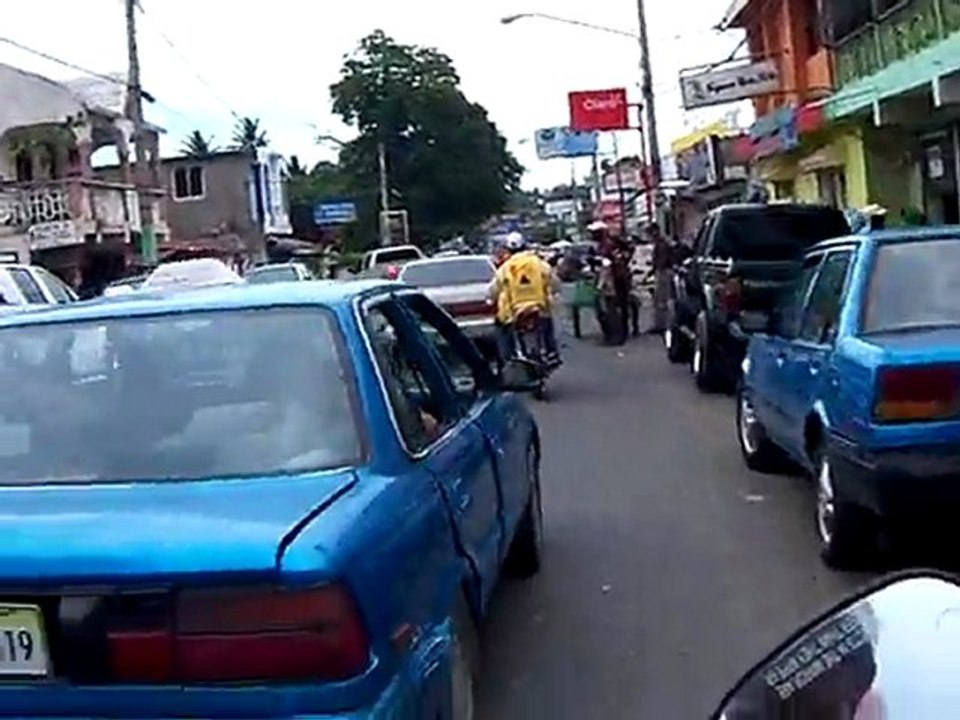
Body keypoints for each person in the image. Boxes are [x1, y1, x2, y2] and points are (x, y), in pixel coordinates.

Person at [489, 232, 561, 367]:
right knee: (547, 325)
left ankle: (509, 359)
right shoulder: (538, 263)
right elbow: (554, 281)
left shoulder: (506, 267)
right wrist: (554, 292)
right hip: (539, 307)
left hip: (513, 311)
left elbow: (494, 288)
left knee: (502, 329)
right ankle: (552, 353)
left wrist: (490, 298)